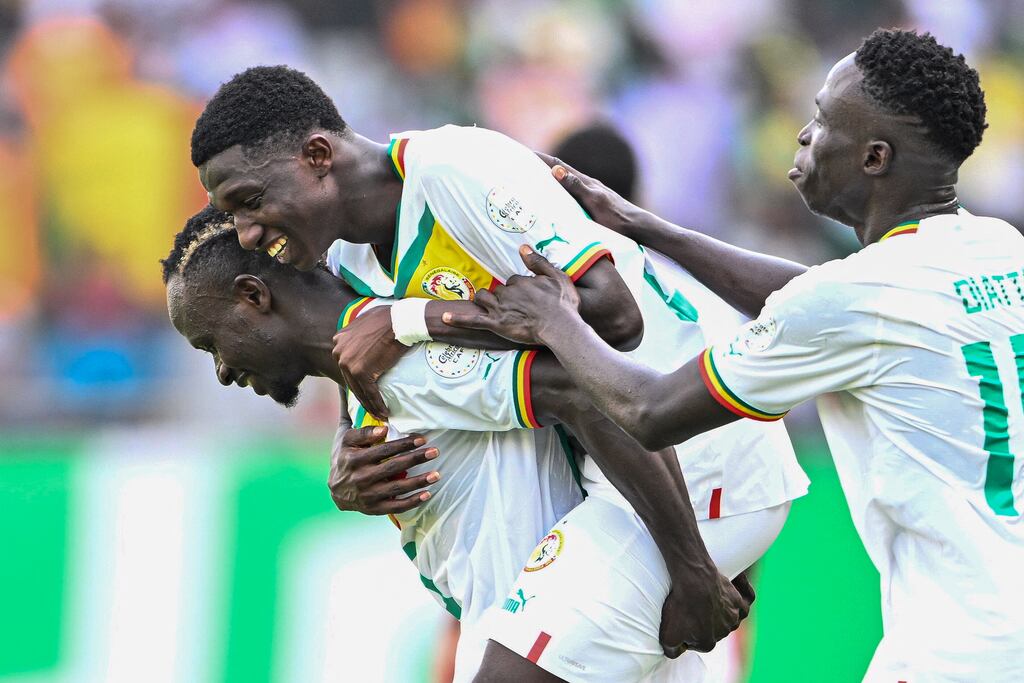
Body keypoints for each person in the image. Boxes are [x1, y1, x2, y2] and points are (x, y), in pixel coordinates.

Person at [189, 66, 809, 678]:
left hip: (702, 462)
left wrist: (417, 316)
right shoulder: (347, 257)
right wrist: (347, 454)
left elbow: (613, 317)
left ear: (318, 155)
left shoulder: (458, 168)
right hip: (616, 483)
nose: (246, 231)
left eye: (251, 201)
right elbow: (396, 369)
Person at [444, 29, 1024, 682]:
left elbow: (650, 409)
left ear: (874, 158)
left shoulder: (855, 297)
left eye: (822, 120)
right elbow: (818, 299)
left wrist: (555, 319)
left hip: (956, 652)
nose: (804, 135)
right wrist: (651, 229)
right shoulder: (997, 248)